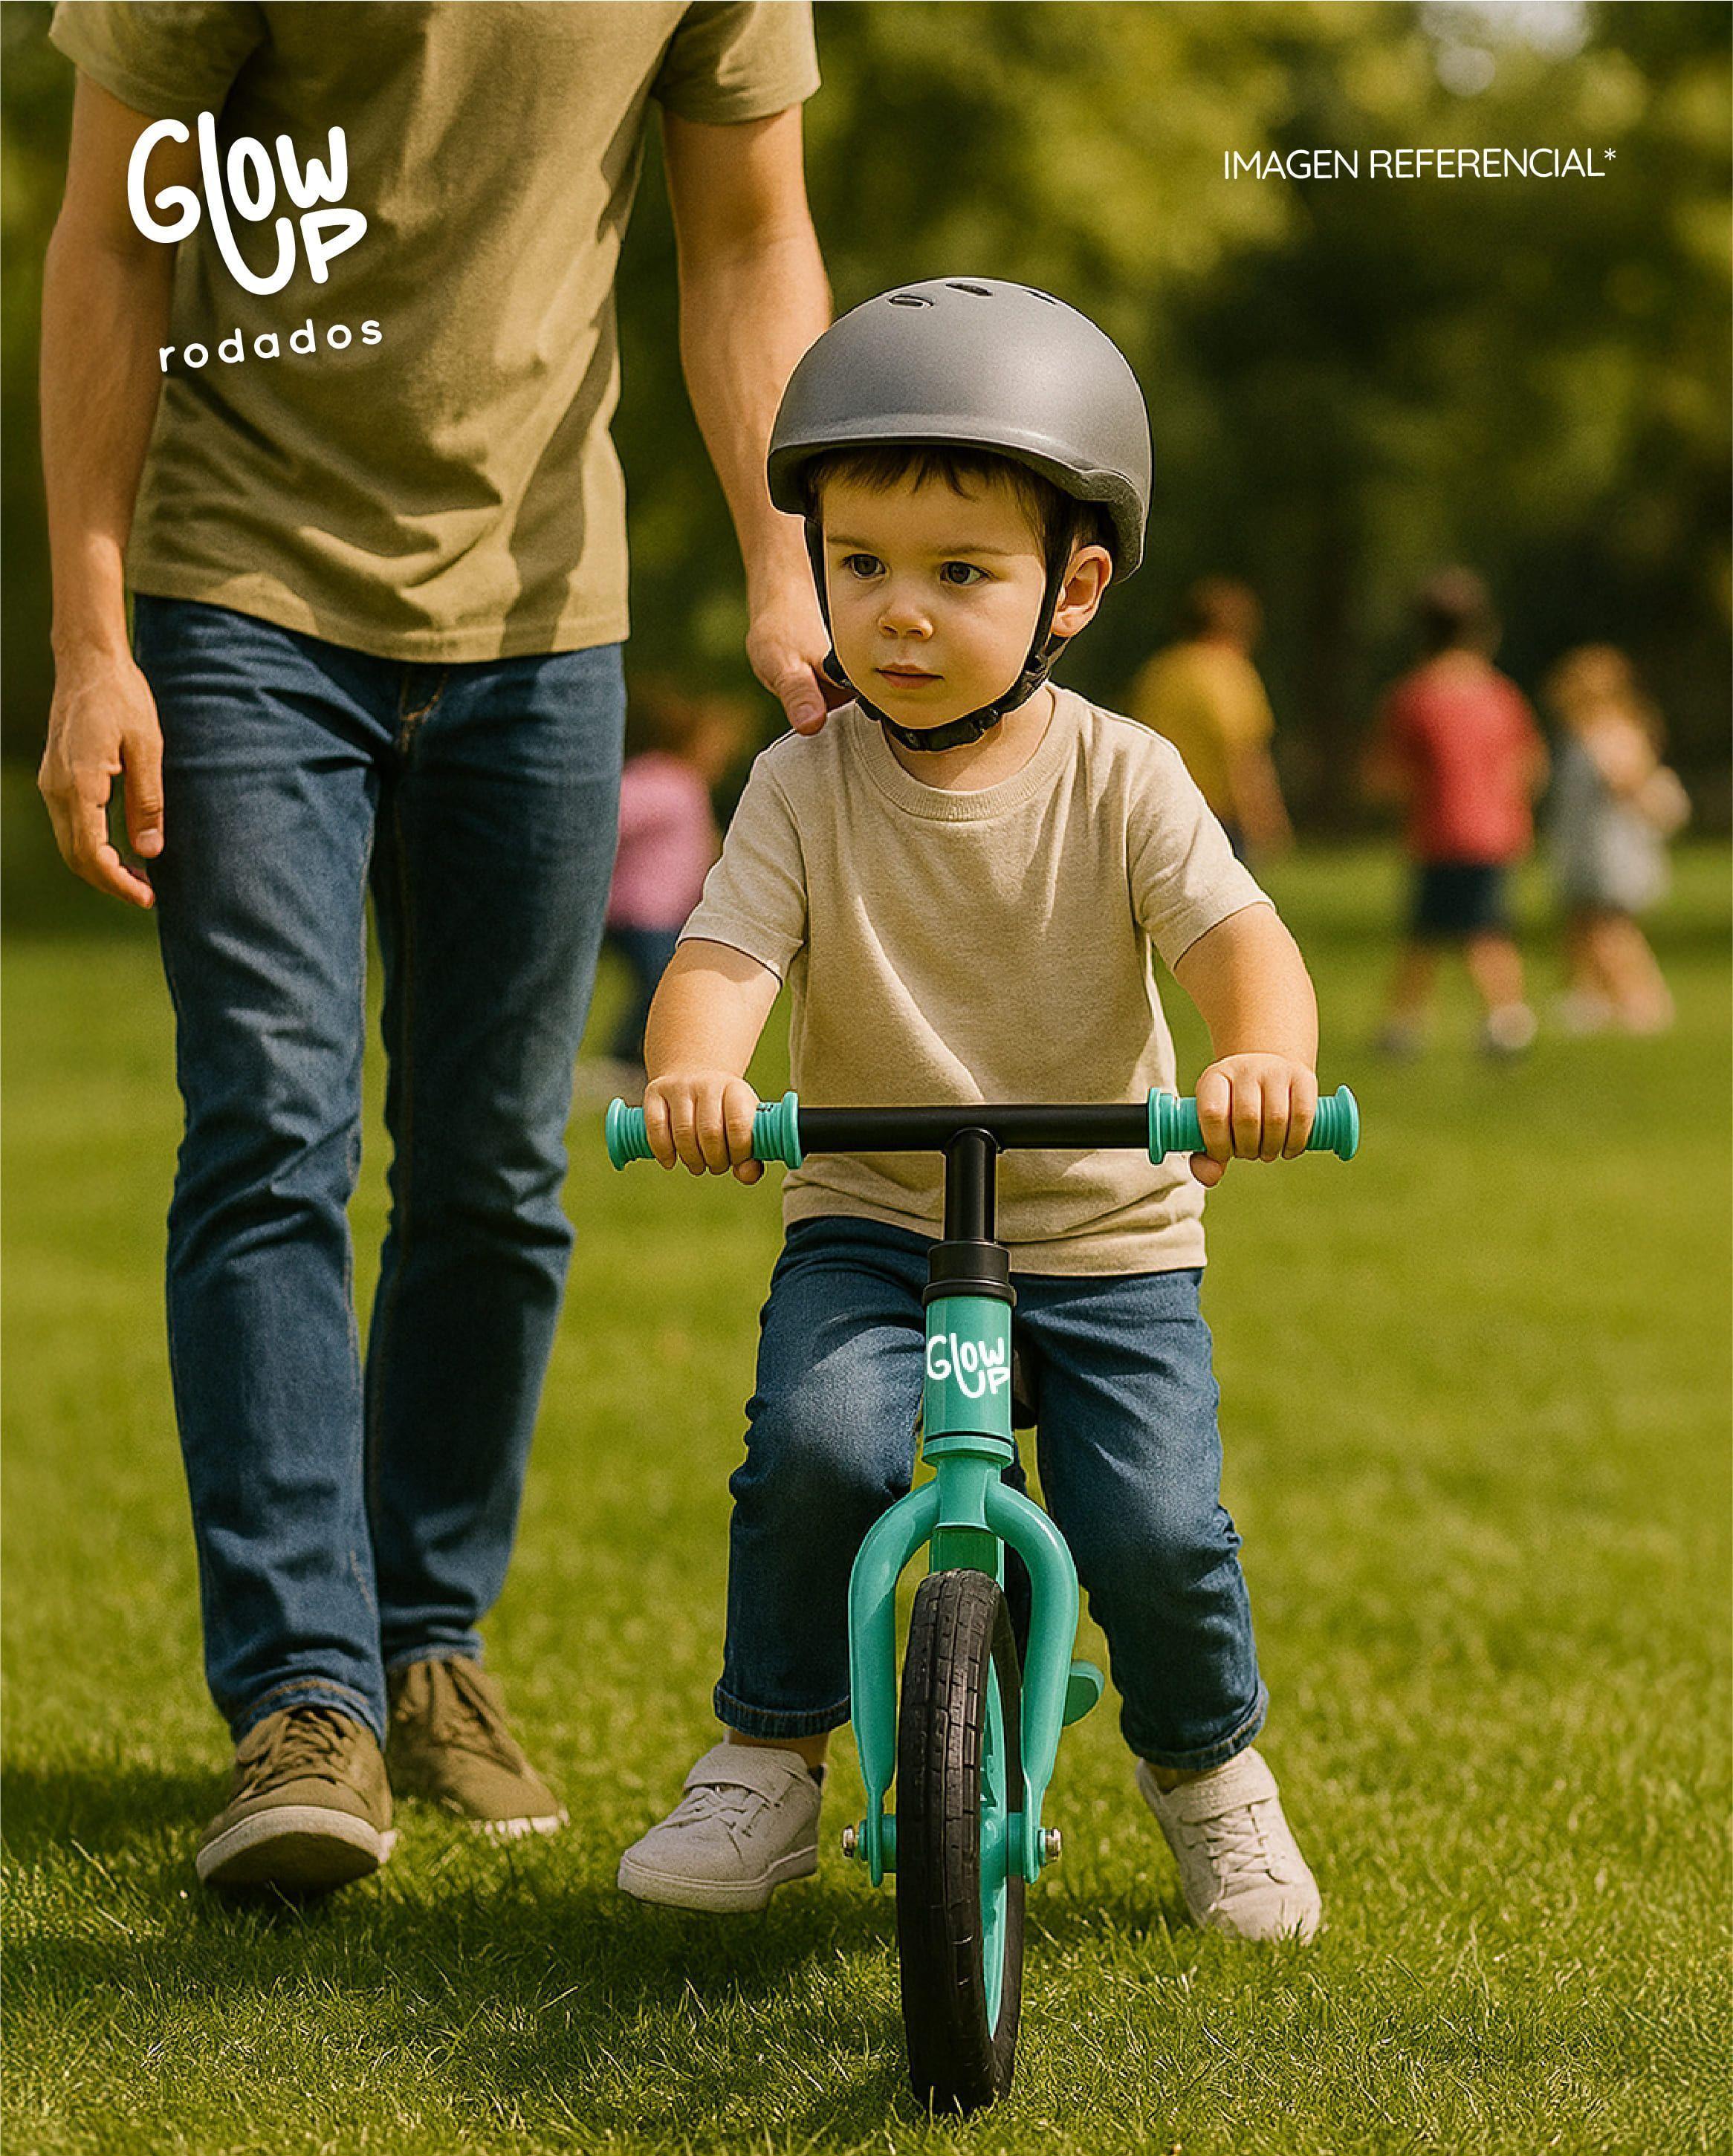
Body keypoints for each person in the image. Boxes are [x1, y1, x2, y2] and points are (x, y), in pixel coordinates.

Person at [35, 3, 832, 1893]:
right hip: (243, 591)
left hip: (545, 619)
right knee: (271, 1129)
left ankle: (425, 1645)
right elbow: (116, 233)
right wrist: (91, 641)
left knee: (493, 1170)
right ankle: (303, 1694)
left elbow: (747, 237)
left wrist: (784, 557)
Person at [614, 279, 1327, 1943]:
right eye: (859, 566)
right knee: (814, 1453)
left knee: (1156, 1526)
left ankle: (1209, 1775)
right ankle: (766, 1756)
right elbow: (720, 958)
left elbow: (1242, 946)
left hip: (1106, 1234)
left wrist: (1256, 1058)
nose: (899, 614)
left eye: (959, 574)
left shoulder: (1122, 774)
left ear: (1069, 588)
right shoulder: (800, 782)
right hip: (871, 1224)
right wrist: (695, 1072)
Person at [1364, 569, 1547, 1057]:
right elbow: (1529, 765)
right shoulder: (1501, 694)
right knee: (1472, 926)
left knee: (1450, 932)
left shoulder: (1414, 697)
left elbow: (1387, 775)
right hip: (1494, 833)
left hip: (1440, 832)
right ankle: (1432, 1021)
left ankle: (1499, 1020)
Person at [592, 685, 745, 1103]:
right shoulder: (666, 778)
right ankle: (626, 1061)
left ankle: (635, 1061)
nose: (720, 759)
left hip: (665, 911)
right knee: (659, 983)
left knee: (659, 982)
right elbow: (611, 817)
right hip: (640, 909)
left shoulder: (686, 784)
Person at [1542, 646, 1685, 1036]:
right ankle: (1593, 998)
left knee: (1609, 929)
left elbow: (1629, 782)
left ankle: (1641, 1003)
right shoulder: (1582, 734)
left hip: (1611, 848)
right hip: (1586, 846)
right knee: (1583, 926)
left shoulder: (1612, 733)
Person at [1127, 577, 1293, 860]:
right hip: (1216, 819)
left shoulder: (1158, 672)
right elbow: (1243, 755)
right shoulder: (1228, 672)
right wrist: (1264, 818)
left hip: (1155, 814)